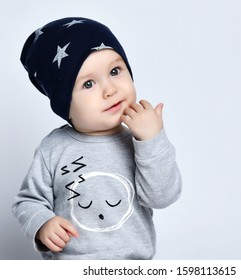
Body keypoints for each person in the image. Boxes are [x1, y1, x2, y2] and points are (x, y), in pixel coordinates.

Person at [12, 17, 182, 260]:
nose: (110, 89)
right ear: (64, 103)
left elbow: (161, 197)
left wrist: (152, 140)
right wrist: (42, 224)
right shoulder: (53, 148)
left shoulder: (141, 141)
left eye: (115, 71)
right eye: (88, 83)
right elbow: (28, 201)